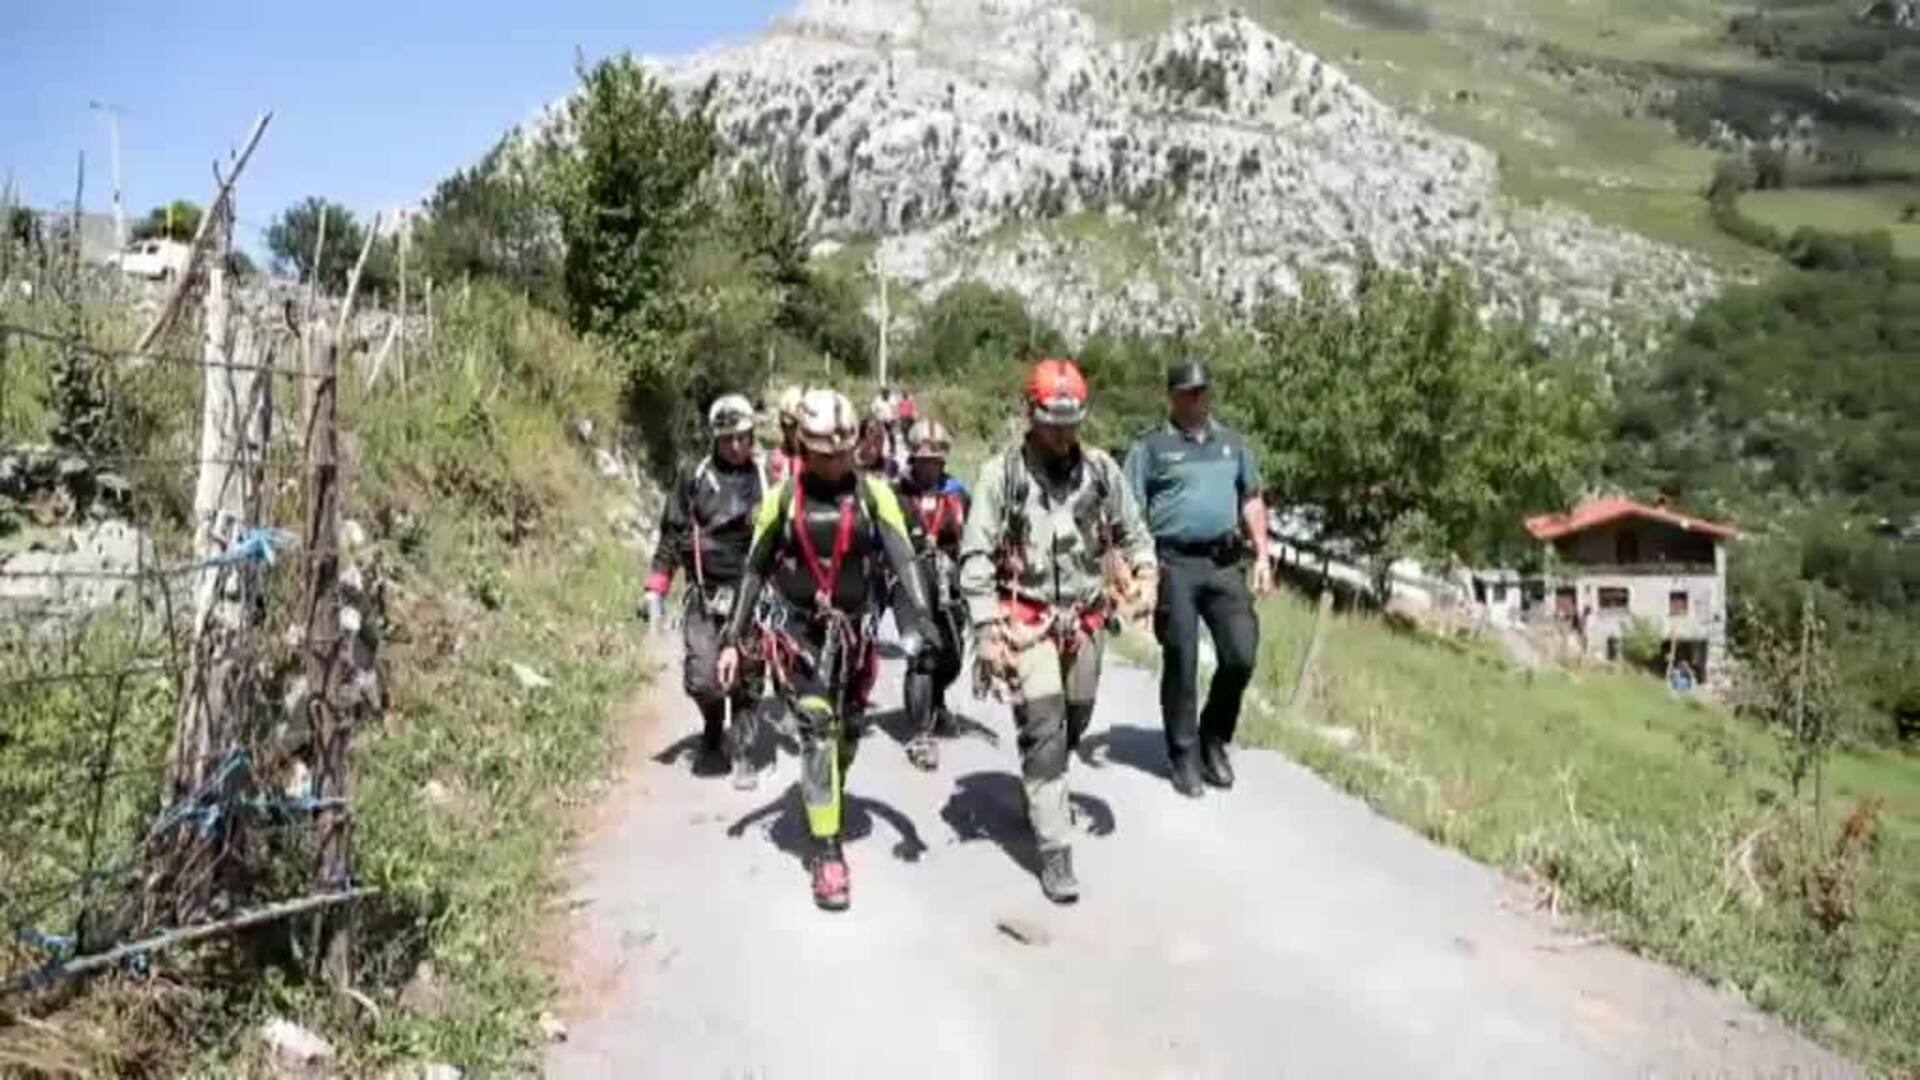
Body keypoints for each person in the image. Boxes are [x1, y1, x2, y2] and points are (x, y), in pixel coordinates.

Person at [715, 389, 934, 912]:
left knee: (847, 737)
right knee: (816, 728)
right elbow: (753, 570)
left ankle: (825, 793)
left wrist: (919, 626)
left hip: (856, 639)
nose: (835, 462)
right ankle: (827, 851)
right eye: (823, 453)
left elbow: (904, 564)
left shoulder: (876, 496)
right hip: (798, 636)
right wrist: (732, 640)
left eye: (843, 451)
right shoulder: (781, 500)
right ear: (803, 448)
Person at [959, 359, 1157, 904]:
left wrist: (1145, 575)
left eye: (1071, 422)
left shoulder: (1101, 472)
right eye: (1052, 422)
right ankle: (1055, 851)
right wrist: (985, 629)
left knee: (1076, 717)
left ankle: (1045, 783)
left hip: (1087, 619)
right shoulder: (1004, 475)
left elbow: (1134, 533)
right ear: (1032, 415)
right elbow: (975, 556)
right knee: (1045, 727)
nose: (1063, 433)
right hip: (1027, 621)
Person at [1122, 360, 1272, 798]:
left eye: (1202, 391)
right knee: (1182, 658)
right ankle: (1183, 752)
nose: (1196, 399)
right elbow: (1130, 508)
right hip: (1174, 564)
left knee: (1241, 653)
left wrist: (1262, 553)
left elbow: (1250, 498)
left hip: (1224, 563)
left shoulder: (1232, 443)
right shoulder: (1150, 447)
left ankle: (1213, 739)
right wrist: (1136, 567)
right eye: (1187, 392)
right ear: (1172, 396)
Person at [645, 394, 773, 790]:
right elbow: (672, 532)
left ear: (752, 436)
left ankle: (744, 751)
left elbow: (784, 539)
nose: (736, 446)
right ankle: (713, 724)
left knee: (748, 678)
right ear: (715, 439)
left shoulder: (767, 480)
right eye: (728, 438)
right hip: (704, 593)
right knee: (702, 679)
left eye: (743, 437)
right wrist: (657, 587)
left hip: (751, 596)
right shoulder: (694, 476)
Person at [896, 418, 970, 771]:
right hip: (909, 583)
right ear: (912, 459)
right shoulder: (896, 495)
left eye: (936, 460)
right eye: (923, 459)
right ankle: (921, 731)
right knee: (922, 652)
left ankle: (936, 700)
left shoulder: (958, 494)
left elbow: (976, 539)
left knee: (951, 656)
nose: (930, 465)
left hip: (949, 583)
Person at [768, 385, 808, 485]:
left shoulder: (817, 458)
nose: (796, 431)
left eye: (799, 425)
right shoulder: (778, 459)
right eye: (791, 426)